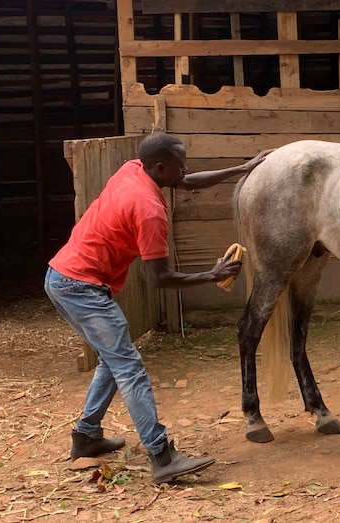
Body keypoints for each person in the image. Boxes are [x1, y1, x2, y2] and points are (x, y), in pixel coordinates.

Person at [44, 131, 269, 484]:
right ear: (161, 168)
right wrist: (211, 275)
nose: (186, 169)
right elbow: (160, 278)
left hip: (62, 277)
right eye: (181, 164)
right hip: (80, 287)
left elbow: (187, 182)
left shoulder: (134, 168)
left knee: (113, 359)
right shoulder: (149, 211)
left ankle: (86, 436)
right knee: (129, 367)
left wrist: (244, 168)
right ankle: (161, 456)